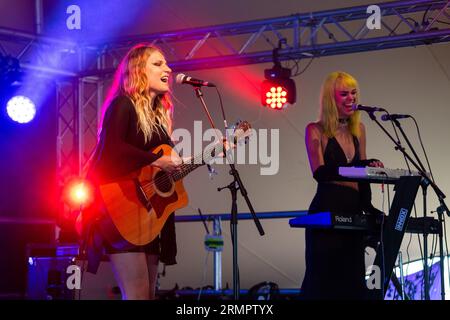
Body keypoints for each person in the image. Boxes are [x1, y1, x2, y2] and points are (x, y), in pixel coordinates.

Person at [80, 43, 183, 300]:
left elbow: (161, 167)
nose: (167, 69)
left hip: (147, 214)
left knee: (148, 295)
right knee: (136, 295)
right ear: (138, 70)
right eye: (158, 64)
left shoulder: (161, 116)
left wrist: (209, 153)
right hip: (121, 208)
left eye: (166, 64)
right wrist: (157, 161)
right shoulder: (123, 105)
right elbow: (113, 150)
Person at [301, 71, 384, 300]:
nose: (351, 98)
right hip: (328, 208)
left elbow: (362, 176)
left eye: (354, 93)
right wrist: (357, 168)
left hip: (354, 210)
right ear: (331, 99)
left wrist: (369, 205)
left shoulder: (360, 129)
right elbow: (319, 172)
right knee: (324, 280)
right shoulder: (315, 130)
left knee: (353, 280)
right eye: (344, 94)